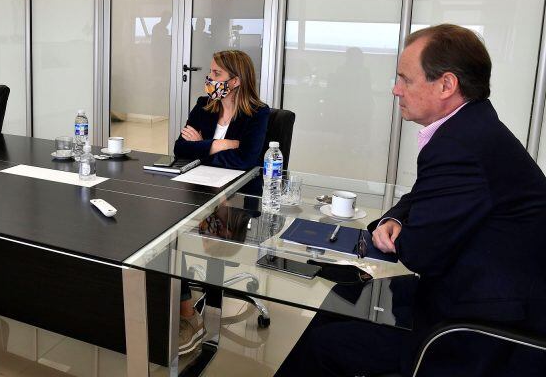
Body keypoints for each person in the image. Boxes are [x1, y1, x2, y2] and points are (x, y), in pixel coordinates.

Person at [279, 24, 546, 376]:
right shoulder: (471, 127)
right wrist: (396, 218)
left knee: (324, 344)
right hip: (475, 292)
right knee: (340, 300)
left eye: (405, 79)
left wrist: (405, 230)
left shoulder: (461, 146)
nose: (395, 89)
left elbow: (420, 251)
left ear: (446, 85)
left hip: (482, 330)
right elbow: (422, 195)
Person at [174, 49, 270, 355]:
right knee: (167, 236)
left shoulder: (258, 114)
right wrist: (219, 144)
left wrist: (201, 146)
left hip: (238, 196)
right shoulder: (205, 105)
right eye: (210, 74)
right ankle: (184, 308)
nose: (209, 80)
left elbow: (246, 161)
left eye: (216, 75)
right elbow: (179, 148)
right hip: (198, 189)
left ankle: (188, 314)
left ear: (236, 81)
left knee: (193, 238)